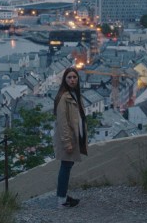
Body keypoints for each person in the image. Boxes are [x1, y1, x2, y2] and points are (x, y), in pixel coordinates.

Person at [53, 66, 88, 208]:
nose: (72, 80)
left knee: (67, 166)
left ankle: (62, 196)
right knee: (66, 167)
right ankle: (61, 200)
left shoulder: (74, 94)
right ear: (65, 80)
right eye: (69, 77)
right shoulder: (64, 97)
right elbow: (62, 122)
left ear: (78, 79)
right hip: (68, 139)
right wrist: (67, 143)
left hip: (74, 137)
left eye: (74, 77)